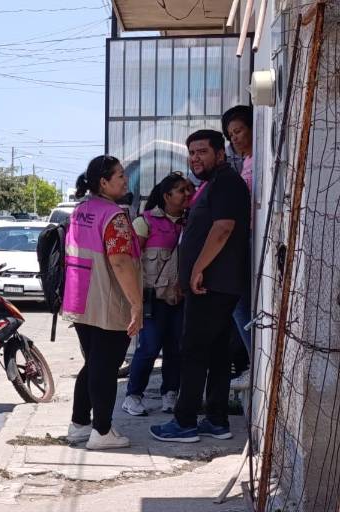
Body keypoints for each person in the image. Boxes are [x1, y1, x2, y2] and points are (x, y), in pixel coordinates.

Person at [150, 130, 250, 443]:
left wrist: (197, 269)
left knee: (192, 350)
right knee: (218, 352)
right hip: (215, 283)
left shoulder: (226, 182)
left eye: (202, 151)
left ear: (220, 153)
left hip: (212, 283)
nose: (195, 158)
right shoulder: (212, 184)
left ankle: (185, 422)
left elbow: (223, 228)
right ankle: (217, 420)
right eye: (192, 152)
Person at [63, 155, 143, 450]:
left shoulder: (81, 210)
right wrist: (136, 304)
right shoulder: (114, 216)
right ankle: (102, 431)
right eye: (120, 176)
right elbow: (121, 262)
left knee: (93, 363)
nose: (125, 180)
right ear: (103, 182)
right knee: (106, 367)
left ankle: (79, 424)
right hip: (108, 298)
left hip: (80, 296)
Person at [122, 173, 192, 417]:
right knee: (149, 347)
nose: (187, 194)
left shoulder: (189, 222)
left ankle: (170, 393)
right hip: (152, 298)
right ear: (166, 196)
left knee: (176, 348)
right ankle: (133, 396)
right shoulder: (146, 222)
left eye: (188, 190)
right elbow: (130, 260)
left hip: (179, 297)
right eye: (181, 190)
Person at [222, 105, 254, 391]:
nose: (235, 138)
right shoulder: (245, 163)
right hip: (245, 241)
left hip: (251, 239)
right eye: (231, 134)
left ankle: (256, 362)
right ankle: (254, 361)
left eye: (239, 131)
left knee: (241, 305)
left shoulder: (256, 162)